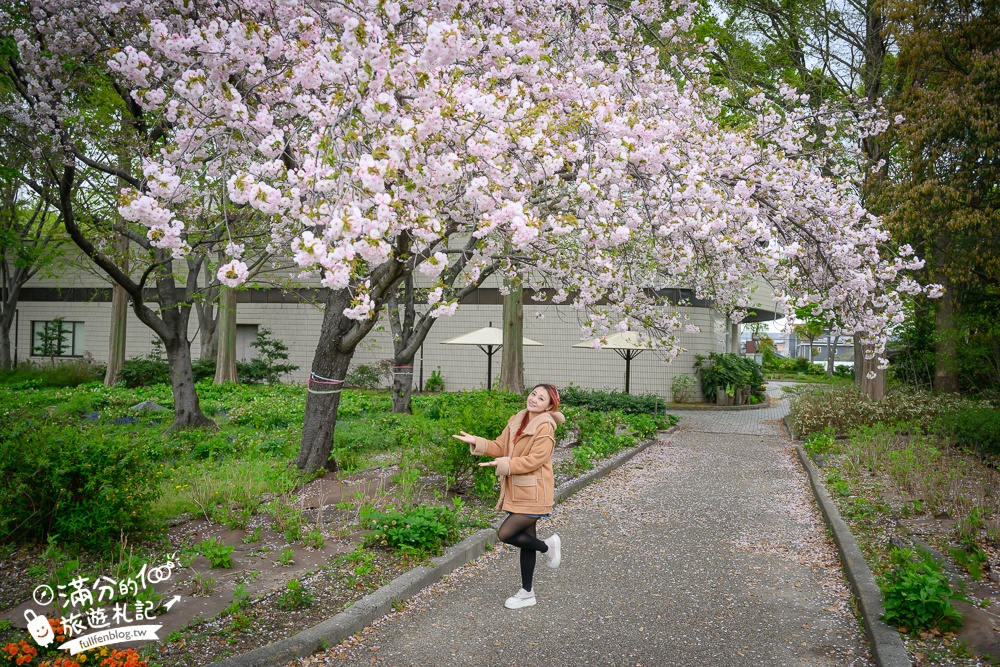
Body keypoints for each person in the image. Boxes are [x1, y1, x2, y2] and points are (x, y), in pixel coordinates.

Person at [453, 383, 565, 609]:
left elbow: (536, 459)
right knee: (526, 542)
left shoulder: (546, 426)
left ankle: (546, 546)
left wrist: (504, 464)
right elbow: (500, 445)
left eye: (541, 398)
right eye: (533, 394)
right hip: (518, 489)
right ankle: (527, 593)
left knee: (505, 533)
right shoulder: (518, 419)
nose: (533, 399)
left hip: (534, 491)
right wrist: (478, 442)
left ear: (549, 406)